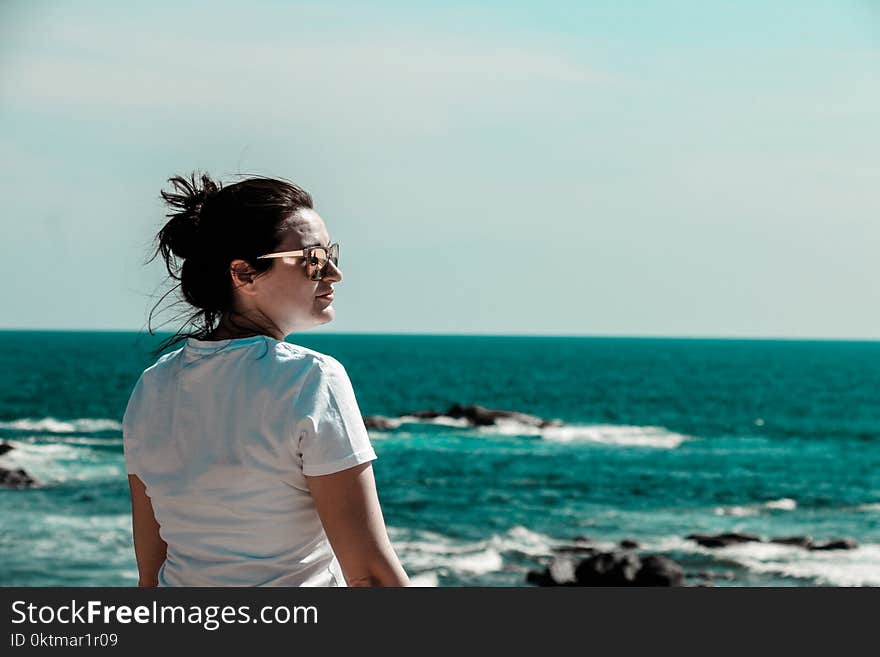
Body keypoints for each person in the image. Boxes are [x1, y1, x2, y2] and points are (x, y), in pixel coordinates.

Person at [122, 171, 410, 587]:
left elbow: (150, 576)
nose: (332, 273)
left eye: (331, 254)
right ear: (243, 275)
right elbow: (370, 574)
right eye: (312, 259)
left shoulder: (152, 386)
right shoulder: (310, 379)